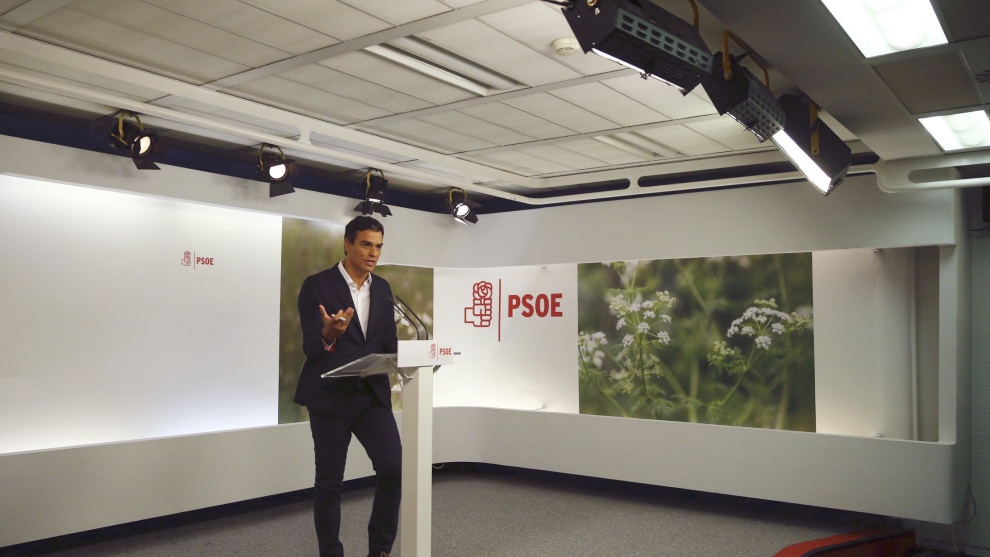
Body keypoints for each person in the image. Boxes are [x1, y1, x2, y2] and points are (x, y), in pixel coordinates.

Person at [295, 215, 400, 557]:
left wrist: (414, 357)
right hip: (330, 398)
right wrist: (329, 335)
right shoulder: (317, 285)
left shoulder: (382, 288)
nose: (373, 253)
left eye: (379, 246)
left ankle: (380, 550)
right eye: (366, 244)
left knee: (393, 469)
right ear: (348, 244)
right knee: (329, 483)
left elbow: (388, 341)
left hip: (372, 396)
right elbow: (311, 347)